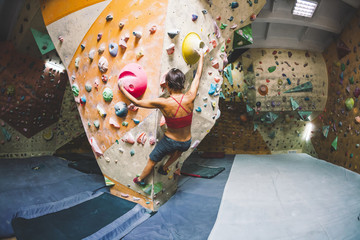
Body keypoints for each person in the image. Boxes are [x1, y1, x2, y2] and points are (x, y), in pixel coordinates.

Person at [119, 50, 204, 186]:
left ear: (168, 85)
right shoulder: (191, 96)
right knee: (177, 153)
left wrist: (123, 89)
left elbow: (137, 103)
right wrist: (202, 56)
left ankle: (140, 179)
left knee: (152, 160)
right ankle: (165, 168)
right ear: (182, 83)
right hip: (186, 141)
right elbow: (198, 76)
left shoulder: (163, 102)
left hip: (170, 141)